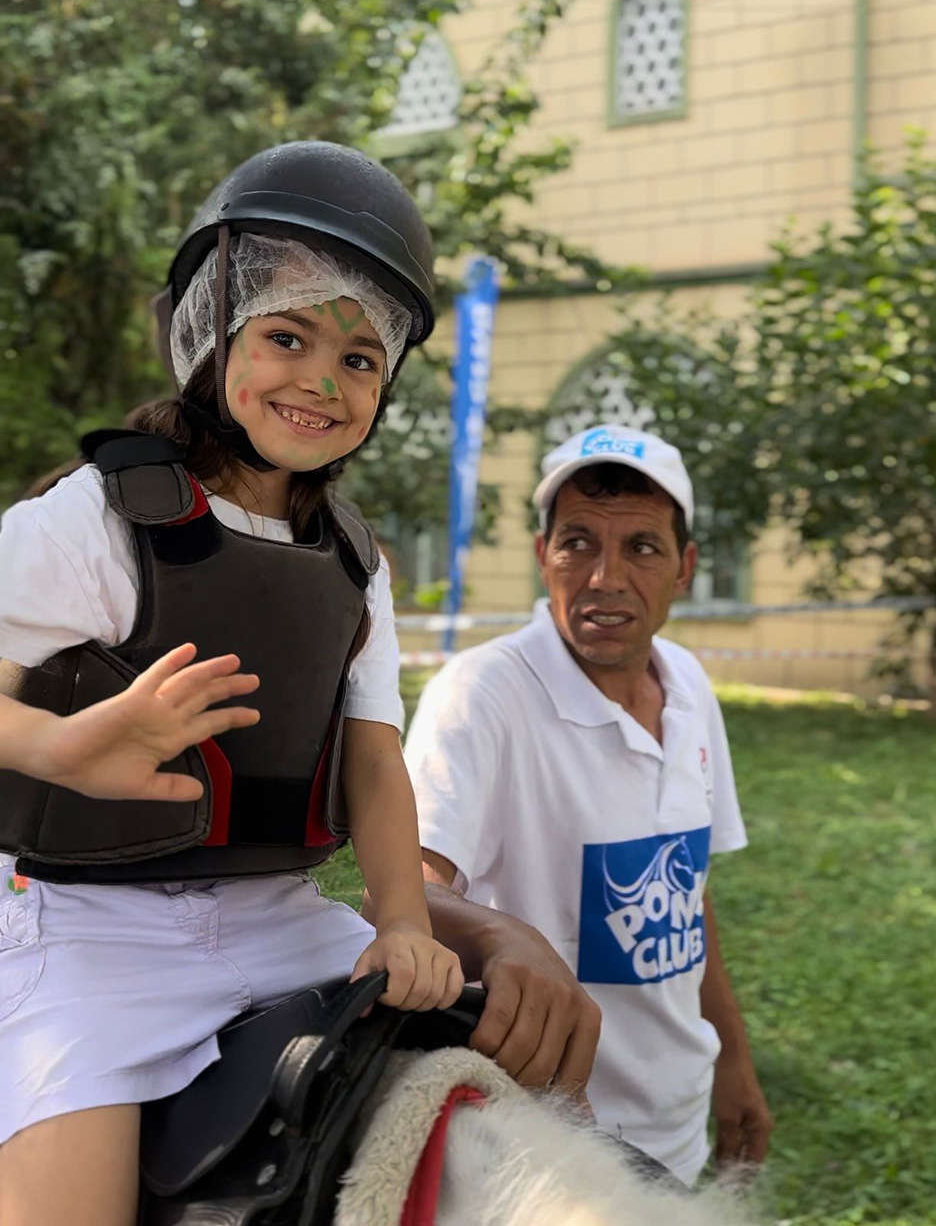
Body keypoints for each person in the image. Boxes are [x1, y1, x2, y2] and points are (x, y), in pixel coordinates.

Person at [0, 142, 598, 1226]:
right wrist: (59, 747)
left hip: (276, 912)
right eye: (287, 336)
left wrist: (404, 919)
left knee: (521, 1110)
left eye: (361, 358)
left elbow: (373, 759)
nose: (323, 381)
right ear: (210, 332)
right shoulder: (98, 518)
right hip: (87, 929)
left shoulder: (351, 561)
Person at [404, 424, 773, 1186]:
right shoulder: (482, 695)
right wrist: (503, 936)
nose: (606, 577)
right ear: (544, 556)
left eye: (642, 547)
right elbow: (400, 894)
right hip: (540, 1139)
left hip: (677, 1122)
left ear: (684, 568)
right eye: (578, 543)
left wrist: (731, 1060)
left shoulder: (689, 687)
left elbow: (687, 888)